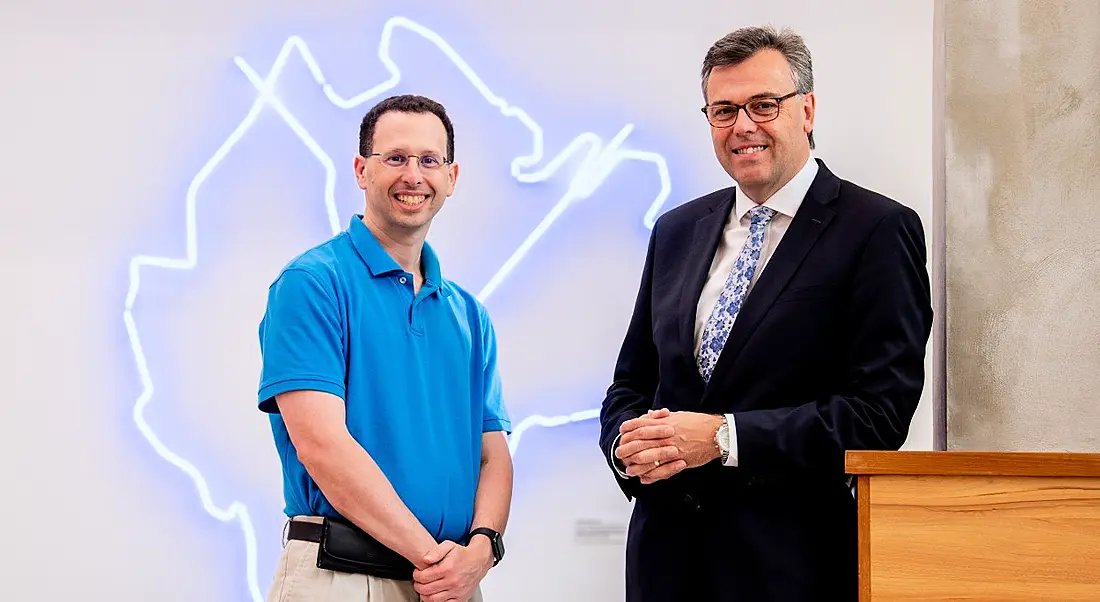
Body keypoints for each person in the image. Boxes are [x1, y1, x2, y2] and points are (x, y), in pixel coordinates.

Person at [598, 25, 933, 601]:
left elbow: (879, 413)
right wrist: (627, 449)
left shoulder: (876, 229)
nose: (742, 126)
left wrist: (727, 438)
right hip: (665, 563)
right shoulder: (677, 230)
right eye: (723, 110)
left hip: (791, 567)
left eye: (763, 104)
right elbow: (631, 381)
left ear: (807, 110)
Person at [257, 94, 512, 602]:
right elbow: (322, 447)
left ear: (451, 177)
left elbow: (493, 456)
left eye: (429, 160)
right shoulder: (312, 284)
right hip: (345, 577)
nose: (413, 175)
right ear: (361, 170)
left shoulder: (469, 315)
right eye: (395, 158)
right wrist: (435, 561)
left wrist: (482, 550)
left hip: (451, 583)